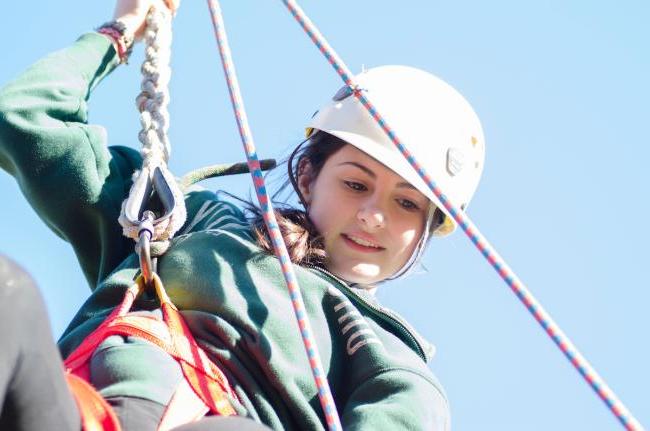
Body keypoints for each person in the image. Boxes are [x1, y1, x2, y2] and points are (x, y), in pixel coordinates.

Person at [0, 0, 485, 429]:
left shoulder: (393, 366)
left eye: (406, 203)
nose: (374, 216)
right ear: (309, 175)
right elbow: (28, 118)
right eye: (355, 184)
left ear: (428, 225)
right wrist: (122, 30)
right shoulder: (188, 220)